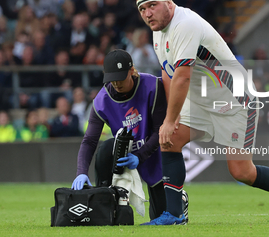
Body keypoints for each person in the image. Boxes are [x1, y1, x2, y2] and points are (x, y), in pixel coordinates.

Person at [135, 0, 269, 225]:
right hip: (201, 101)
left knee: (242, 172)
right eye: (142, 9)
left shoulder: (185, 24)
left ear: (168, 2)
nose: (147, 14)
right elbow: (169, 73)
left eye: (152, 5)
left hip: (236, 99)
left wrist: (168, 120)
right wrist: (171, 116)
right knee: (170, 139)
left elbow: (183, 76)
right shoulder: (159, 31)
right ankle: (174, 215)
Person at [71, 49, 187, 221]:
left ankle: (180, 199)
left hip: (152, 149)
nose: (116, 84)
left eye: (120, 78)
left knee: (161, 216)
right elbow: (89, 141)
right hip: (123, 153)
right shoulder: (101, 100)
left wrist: (140, 156)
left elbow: (159, 130)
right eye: (112, 79)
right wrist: (81, 171)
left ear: (132, 71)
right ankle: (106, 198)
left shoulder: (152, 87)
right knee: (106, 148)